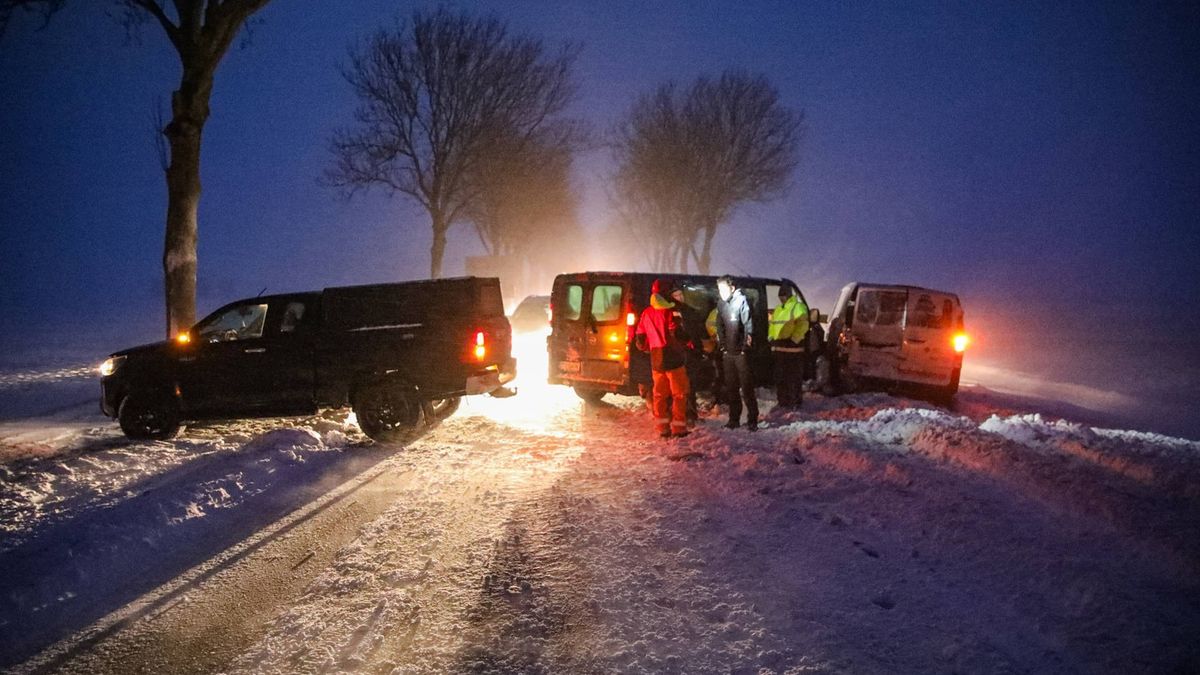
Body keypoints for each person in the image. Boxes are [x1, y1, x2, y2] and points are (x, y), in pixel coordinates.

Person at [635, 279, 691, 438]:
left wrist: (648, 348)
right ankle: (679, 429)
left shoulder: (647, 312)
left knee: (659, 395)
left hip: (656, 360)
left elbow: (640, 338)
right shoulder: (671, 312)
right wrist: (689, 342)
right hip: (673, 359)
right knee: (679, 394)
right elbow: (677, 333)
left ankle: (662, 428)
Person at [714, 275, 758, 430]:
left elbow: (749, 325)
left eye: (724, 289)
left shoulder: (742, 301)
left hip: (741, 354)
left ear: (732, 288)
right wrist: (723, 347)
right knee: (731, 388)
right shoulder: (721, 304)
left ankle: (752, 420)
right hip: (728, 354)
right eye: (719, 289)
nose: (721, 292)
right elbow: (719, 326)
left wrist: (745, 348)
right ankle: (734, 419)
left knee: (746, 387)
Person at [767, 285, 808, 409]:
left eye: (783, 296)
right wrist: (771, 338)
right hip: (779, 349)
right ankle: (783, 402)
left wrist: (794, 339)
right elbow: (773, 326)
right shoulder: (778, 309)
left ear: (789, 295)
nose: (781, 299)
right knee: (780, 378)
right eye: (780, 296)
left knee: (793, 378)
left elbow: (803, 325)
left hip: (793, 351)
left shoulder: (798, 307)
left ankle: (795, 402)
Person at [670, 285, 706, 425]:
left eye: (681, 295)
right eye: (676, 295)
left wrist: (698, 347)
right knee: (681, 386)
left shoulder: (689, 311)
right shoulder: (671, 312)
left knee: (690, 384)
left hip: (691, 352)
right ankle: (683, 414)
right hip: (679, 353)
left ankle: (691, 413)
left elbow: (697, 330)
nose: (680, 298)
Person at [804, 307, 825, 383]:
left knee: (812, 366)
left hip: (813, 351)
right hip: (812, 351)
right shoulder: (814, 327)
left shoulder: (815, 328)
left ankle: (812, 380)